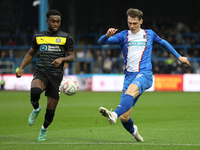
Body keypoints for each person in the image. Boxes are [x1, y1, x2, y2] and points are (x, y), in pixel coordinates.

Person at [98, 8, 190, 142]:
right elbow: (101, 42)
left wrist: (179, 56)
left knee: (128, 96)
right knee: (125, 117)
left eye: (135, 23)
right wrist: (106, 35)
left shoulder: (149, 34)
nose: (132, 26)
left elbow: (164, 43)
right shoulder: (123, 35)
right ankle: (134, 132)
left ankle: (113, 115)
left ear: (141, 21)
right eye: (129, 23)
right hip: (129, 76)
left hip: (144, 74)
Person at [16, 9, 75, 141]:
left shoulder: (66, 37)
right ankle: (36, 109)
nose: (56, 23)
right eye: (53, 21)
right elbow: (30, 54)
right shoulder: (38, 37)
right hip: (41, 72)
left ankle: (44, 129)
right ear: (47, 21)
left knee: (50, 111)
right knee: (35, 92)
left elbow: (72, 57)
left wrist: (62, 59)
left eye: (58, 21)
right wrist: (21, 67)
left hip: (56, 76)